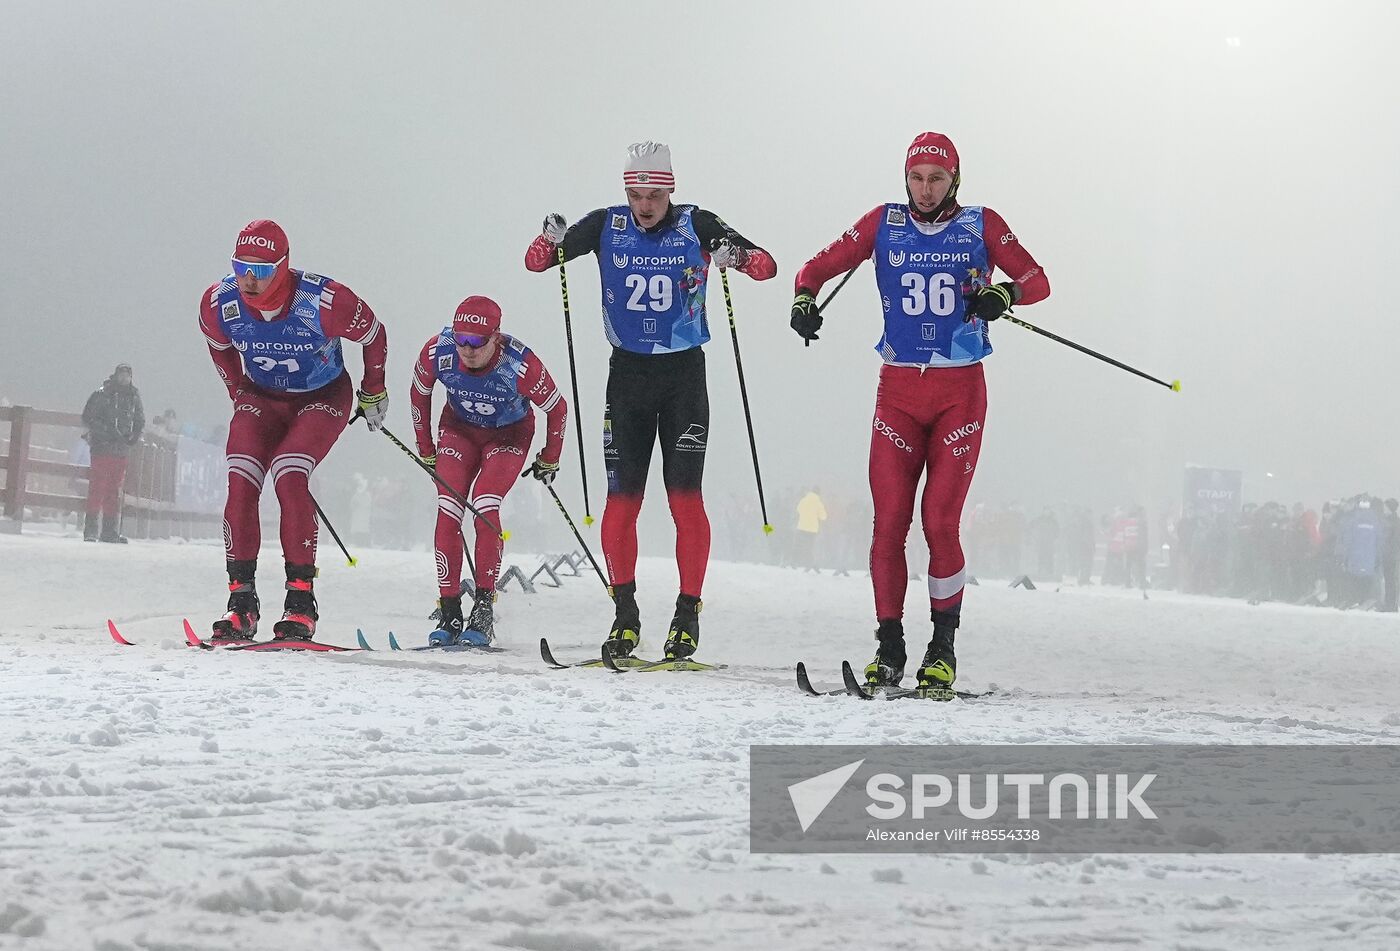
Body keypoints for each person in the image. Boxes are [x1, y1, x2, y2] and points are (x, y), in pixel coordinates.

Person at [789, 131, 1050, 698]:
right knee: (889, 524)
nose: (925, 188)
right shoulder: (883, 222)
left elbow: (1037, 281)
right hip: (899, 393)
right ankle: (888, 646)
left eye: (937, 178)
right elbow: (815, 266)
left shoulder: (981, 223)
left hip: (959, 394)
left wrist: (1003, 296)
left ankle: (942, 647)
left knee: (939, 522)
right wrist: (805, 300)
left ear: (955, 178)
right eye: (917, 177)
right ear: (905, 178)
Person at [524, 141, 776, 661]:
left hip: (684, 377)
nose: (644, 205)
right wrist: (547, 238)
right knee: (622, 502)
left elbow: (768, 266)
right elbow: (537, 263)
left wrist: (738, 257)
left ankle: (687, 615)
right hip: (628, 378)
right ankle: (625, 615)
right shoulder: (606, 225)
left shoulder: (696, 223)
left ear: (670, 189)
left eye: (654, 194)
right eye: (636, 193)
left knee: (684, 498)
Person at [198, 219, 389, 643]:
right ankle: (240, 603)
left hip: (321, 397)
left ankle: (300, 602)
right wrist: (238, 394)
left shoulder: (324, 301)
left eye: (261, 271)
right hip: (261, 397)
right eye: (240, 267)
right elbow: (219, 346)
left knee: (289, 472)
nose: (248, 279)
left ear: (283, 267)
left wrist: (373, 390)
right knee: (241, 481)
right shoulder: (218, 302)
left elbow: (374, 334)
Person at [410, 296, 568, 646]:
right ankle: (449, 610)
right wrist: (425, 447)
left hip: (508, 434)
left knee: (484, 505)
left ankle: (483, 608)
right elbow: (419, 391)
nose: (466, 349)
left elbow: (557, 408)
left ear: (496, 336)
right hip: (459, 430)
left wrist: (549, 457)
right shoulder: (439, 351)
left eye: (476, 341)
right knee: (449, 509)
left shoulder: (520, 364)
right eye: (460, 338)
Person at [81, 363, 145, 542]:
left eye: (127, 375)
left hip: (121, 450)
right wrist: (107, 433)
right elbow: (89, 417)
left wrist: (133, 436)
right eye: (122, 374)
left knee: (114, 490)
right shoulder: (103, 394)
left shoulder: (133, 396)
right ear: (116, 375)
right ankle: (91, 529)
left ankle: (109, 530)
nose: (124, 378)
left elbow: (139, 419)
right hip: (102, 448)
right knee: (97, 487)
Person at [795, 487, 828, 572]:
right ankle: (811, 564)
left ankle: (809, 563)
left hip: (802, 526)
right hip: (812, 529)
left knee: (805, 547)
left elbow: (798, 510)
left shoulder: (804, 500)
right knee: (810, 547)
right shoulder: (818, 503)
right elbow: (823, 517)